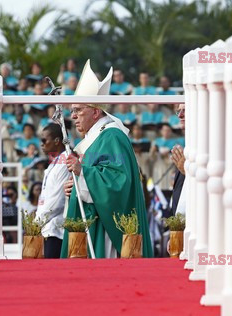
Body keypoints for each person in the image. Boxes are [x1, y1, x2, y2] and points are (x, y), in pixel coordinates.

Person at [61, 59, 153, 258]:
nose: (73, 116)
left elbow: (119, 182)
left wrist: (82, 172)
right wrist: (76, 185)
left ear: (95, 112)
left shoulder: (112, 136)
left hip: (104, 228)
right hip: (92, 220)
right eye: (72, 111)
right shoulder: (96, 138)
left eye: (78, 110)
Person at [35, 123, 70, 258]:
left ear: (57, 141)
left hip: (56, 229)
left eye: (44, 140)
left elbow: (57, 199)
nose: (42, 144)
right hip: (46, 227)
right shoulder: (55, 162)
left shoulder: (66, 160)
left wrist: (37, 222)